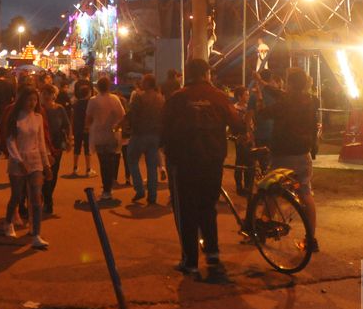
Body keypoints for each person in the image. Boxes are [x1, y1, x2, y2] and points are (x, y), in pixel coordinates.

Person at [162, 59, 244, 275]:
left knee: (186, 210)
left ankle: (190, 261)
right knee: (208, 206)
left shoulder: (178, 98)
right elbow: (237, 124)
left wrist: (168, 151)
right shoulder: (219, 96)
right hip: (212, 161)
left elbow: (164, 129)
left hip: (184, 163)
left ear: (187, 74)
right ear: (207, 74)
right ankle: (212, 253)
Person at [262, 68, 321, 251]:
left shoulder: (286, 102)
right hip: (303, 153)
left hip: (283, 155)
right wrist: (265, 85)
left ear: (290, 83)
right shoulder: (311, 100)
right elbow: (279, 93)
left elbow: (265, 113)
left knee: (271, 191)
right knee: (305, 194)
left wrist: (258, 106)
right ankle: (310, 240)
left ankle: (262, 231)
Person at [0, 88, 52, 249]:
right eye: (29, 100)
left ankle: (36, 233)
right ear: (22, 100)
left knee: (36, 197)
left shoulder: (38, 118)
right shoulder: (15, 117)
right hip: (18, 160)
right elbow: (10, 141)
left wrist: (46, 165)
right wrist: (18, 160)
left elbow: (41, 142)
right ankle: (8, 222)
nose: (32, 103)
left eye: (35, 100)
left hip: (35, 160)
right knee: (16, 195)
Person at [86, 76, 126, 200]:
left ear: (98, 87)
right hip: (112, 134)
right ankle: (109, 186)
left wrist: (88, 127)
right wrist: (117, 126)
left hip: (98, 135)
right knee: (111, 161)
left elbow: (88, 118)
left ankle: (106, 189)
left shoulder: (93, 100)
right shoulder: (115, 99)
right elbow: (123, 116)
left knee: (103, 162)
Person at [126, 73, 164, 204]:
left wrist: (124, 125)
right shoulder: (160, 98)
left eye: (143, 81)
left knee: (131, 159)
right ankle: (152, 195)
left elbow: (132, 113)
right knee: (152, 166)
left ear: (147, 83)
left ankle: (139, 188)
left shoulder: (139, 96)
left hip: (140, 134)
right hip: (155, 135)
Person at [39, 83, 70, 214]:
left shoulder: (59, 109)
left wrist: (69, 140)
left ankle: (48, 198)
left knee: (54, 173)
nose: (47, 96)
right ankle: (47, 200)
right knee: (44, 173)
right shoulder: (38, 110)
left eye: (50, 93)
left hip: (57, 145)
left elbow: (66, 125)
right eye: (44, 93)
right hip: (43, 145)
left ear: (54, 95)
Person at [231, 86, 255, 196]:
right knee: (240, 162)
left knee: (249, 162)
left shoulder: (248, 108)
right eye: (246, 94)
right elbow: (238, 125)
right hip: (241, 139)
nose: (248, 96)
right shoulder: (235, 109)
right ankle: (239, 187)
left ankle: (247, 186)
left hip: (250, 138)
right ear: (239, 97)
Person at [71, 79, 94, 176]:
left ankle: (75, 168)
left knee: (77, 148)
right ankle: (88, 169)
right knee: (87, 149)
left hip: (77, 129)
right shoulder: (90, 103)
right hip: (87, 129)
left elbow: (73, 117)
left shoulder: (76, 104)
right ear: (88, 93)